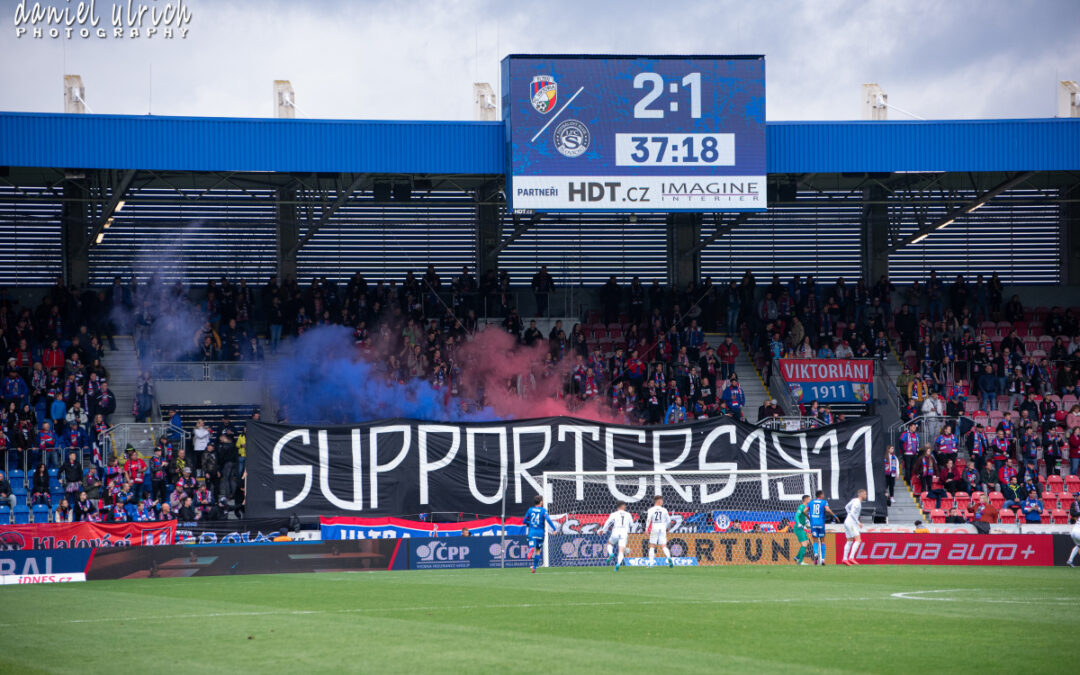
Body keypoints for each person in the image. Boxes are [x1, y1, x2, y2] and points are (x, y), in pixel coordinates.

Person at [523, 495, 557, 573]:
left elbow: (524, 521)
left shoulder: (530, 510)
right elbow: (548, 519)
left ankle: (531, 548)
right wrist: (554, 529)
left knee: (531, 545)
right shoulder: (543, 510)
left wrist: (530, 522)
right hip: (540, 534)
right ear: (541, 502)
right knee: (538, 550)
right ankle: (534, 567)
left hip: (532, 532)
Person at [599, 500, 634, 571]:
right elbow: (631, 525)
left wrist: (603, 530)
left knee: (610, 543)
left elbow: (608, 522)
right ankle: (618, 564)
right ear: (622, 506)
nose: (625, 506)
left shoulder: (614, 514)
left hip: (616, 532)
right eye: (625, 505)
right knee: (621, 551)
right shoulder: (628, 514)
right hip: (624, 533)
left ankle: (611, 553)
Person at [644, 495, 673, 567]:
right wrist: (668, 529)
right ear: (659, 501)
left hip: (655, 527)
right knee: (664, 546)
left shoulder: (651, 510)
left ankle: (651, 563)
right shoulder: (664, 510)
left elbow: (648, 520)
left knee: (652, 546)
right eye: (662, 500)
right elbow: (669, 521)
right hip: (662, 527)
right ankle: (669, 558)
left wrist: (646, 529)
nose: (662, 502)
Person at [808, 490, 836, 565]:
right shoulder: (824, 502)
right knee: (822, 541)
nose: (824, 495)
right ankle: (823, 559)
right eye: (823, 494)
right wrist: (835, 516)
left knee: (815, 541)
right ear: (821, 495)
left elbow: (804, 511)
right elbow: (827, 509)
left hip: (813, 524)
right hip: (821, 524)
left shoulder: (811, 502)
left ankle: (816, 554)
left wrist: (809, 518)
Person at [841, 489, 867, 566]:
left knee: (849, 541)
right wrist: (858, 522)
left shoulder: (854, 500)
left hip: (847, 521)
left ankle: (844, 559)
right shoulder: (857, 503)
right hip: (851, 523)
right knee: (858, 540)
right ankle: (851, 557)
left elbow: (846, 507)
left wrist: (849, 515)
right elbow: (852, 513)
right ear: (861, 495)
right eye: (865, 494)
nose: (866, 496)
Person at [793, 495, 812, 565]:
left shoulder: (805, 508)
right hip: (798, 527)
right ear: (806, 500)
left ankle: (797, 557)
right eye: (809, 499)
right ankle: (800, 561)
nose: (810, 500)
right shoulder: (801, 506)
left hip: (801, 527)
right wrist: (798, 523)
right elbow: (796, 516)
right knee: (804, 543)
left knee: (807, 542)